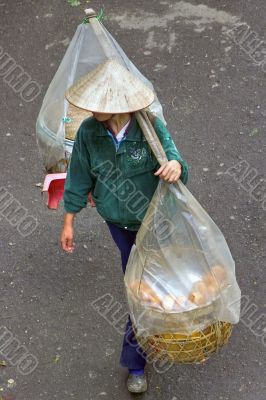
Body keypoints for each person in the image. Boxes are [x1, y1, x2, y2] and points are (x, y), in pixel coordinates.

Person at [60, 59, 188, 393]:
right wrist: (69, 220)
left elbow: (176, 161)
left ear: (119, 105)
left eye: (100, 104)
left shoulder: (150, 126)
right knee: (140, 288)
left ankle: (138, 362)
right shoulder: (89, 131)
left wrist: (175, 166)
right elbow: (78, 176)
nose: (92, 109)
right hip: (117, 223)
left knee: (142, 288)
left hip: (152, 221)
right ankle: (146, 349)